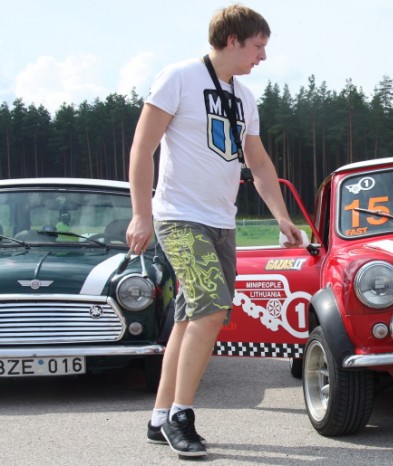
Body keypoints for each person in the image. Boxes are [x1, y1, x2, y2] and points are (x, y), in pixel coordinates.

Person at [126, 3, 303, 458]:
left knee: (191, 319)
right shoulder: (178, 77)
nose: (262, 57)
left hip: (222, 222)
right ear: (233, 41)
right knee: (209, 310)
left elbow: (258, 162)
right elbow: (143, 148)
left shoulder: (243, 96)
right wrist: (141, 214)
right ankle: (183, 416)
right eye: (258, 46)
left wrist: (281, 215)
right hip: (179, 217)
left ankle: (159, 416)